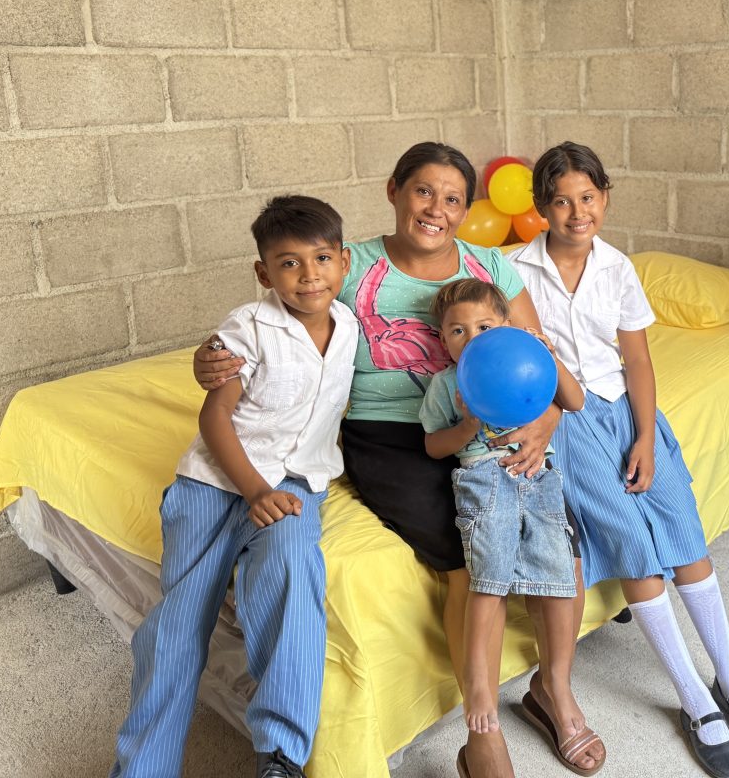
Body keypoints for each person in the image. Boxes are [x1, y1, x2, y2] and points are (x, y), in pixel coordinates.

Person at [193, 143, 606, 778]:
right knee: (466, 555)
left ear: (467, 208)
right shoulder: (348, 262)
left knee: (564, 542)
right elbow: (270, 318)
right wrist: (212, 356)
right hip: (390, 436)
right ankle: (482, 730)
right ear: (394, 190)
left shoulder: (491, 266)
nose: (436, 208)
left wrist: (546, 421)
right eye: (423, 191)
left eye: (453, 198)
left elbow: (538, 356)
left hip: (494, 431)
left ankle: (554, 691)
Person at [508, 143, 729, 778]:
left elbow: (636, 359)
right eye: (561, 201)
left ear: (604, 197)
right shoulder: (515, 271)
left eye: (588, 197)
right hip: (569, 422)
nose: (577, 212)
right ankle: (695, 703)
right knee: (635, 543)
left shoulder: (618, 267)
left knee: (684, 532)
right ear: (541, 208)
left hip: (628, 414)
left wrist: (645, 439)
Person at [111, 195, 358, 778]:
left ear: (344, 262)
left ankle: (281, 755)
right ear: (264, 273)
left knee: (292, 566)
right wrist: (253, 492)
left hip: (296, 480)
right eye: (289, 263)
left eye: (322, 259)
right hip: (215, 483)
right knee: (179, 623)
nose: (309, 275)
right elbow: (215, 416)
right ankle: (142, 768)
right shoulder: (246, 328)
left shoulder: (348, 326)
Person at [420, 278, 584, 757]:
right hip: (483, 480)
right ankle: (480, 689)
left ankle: (557, 684)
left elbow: (574, 401)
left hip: (538, 476)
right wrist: (468, 424)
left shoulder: (528, 362)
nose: (472, 338)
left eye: (484, 327)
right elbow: (433, 446)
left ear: (508, 327)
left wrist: (547, 354)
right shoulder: (447, 384)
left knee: (559, 578)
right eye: (457, 331)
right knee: (488, 579)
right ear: (443, 339)